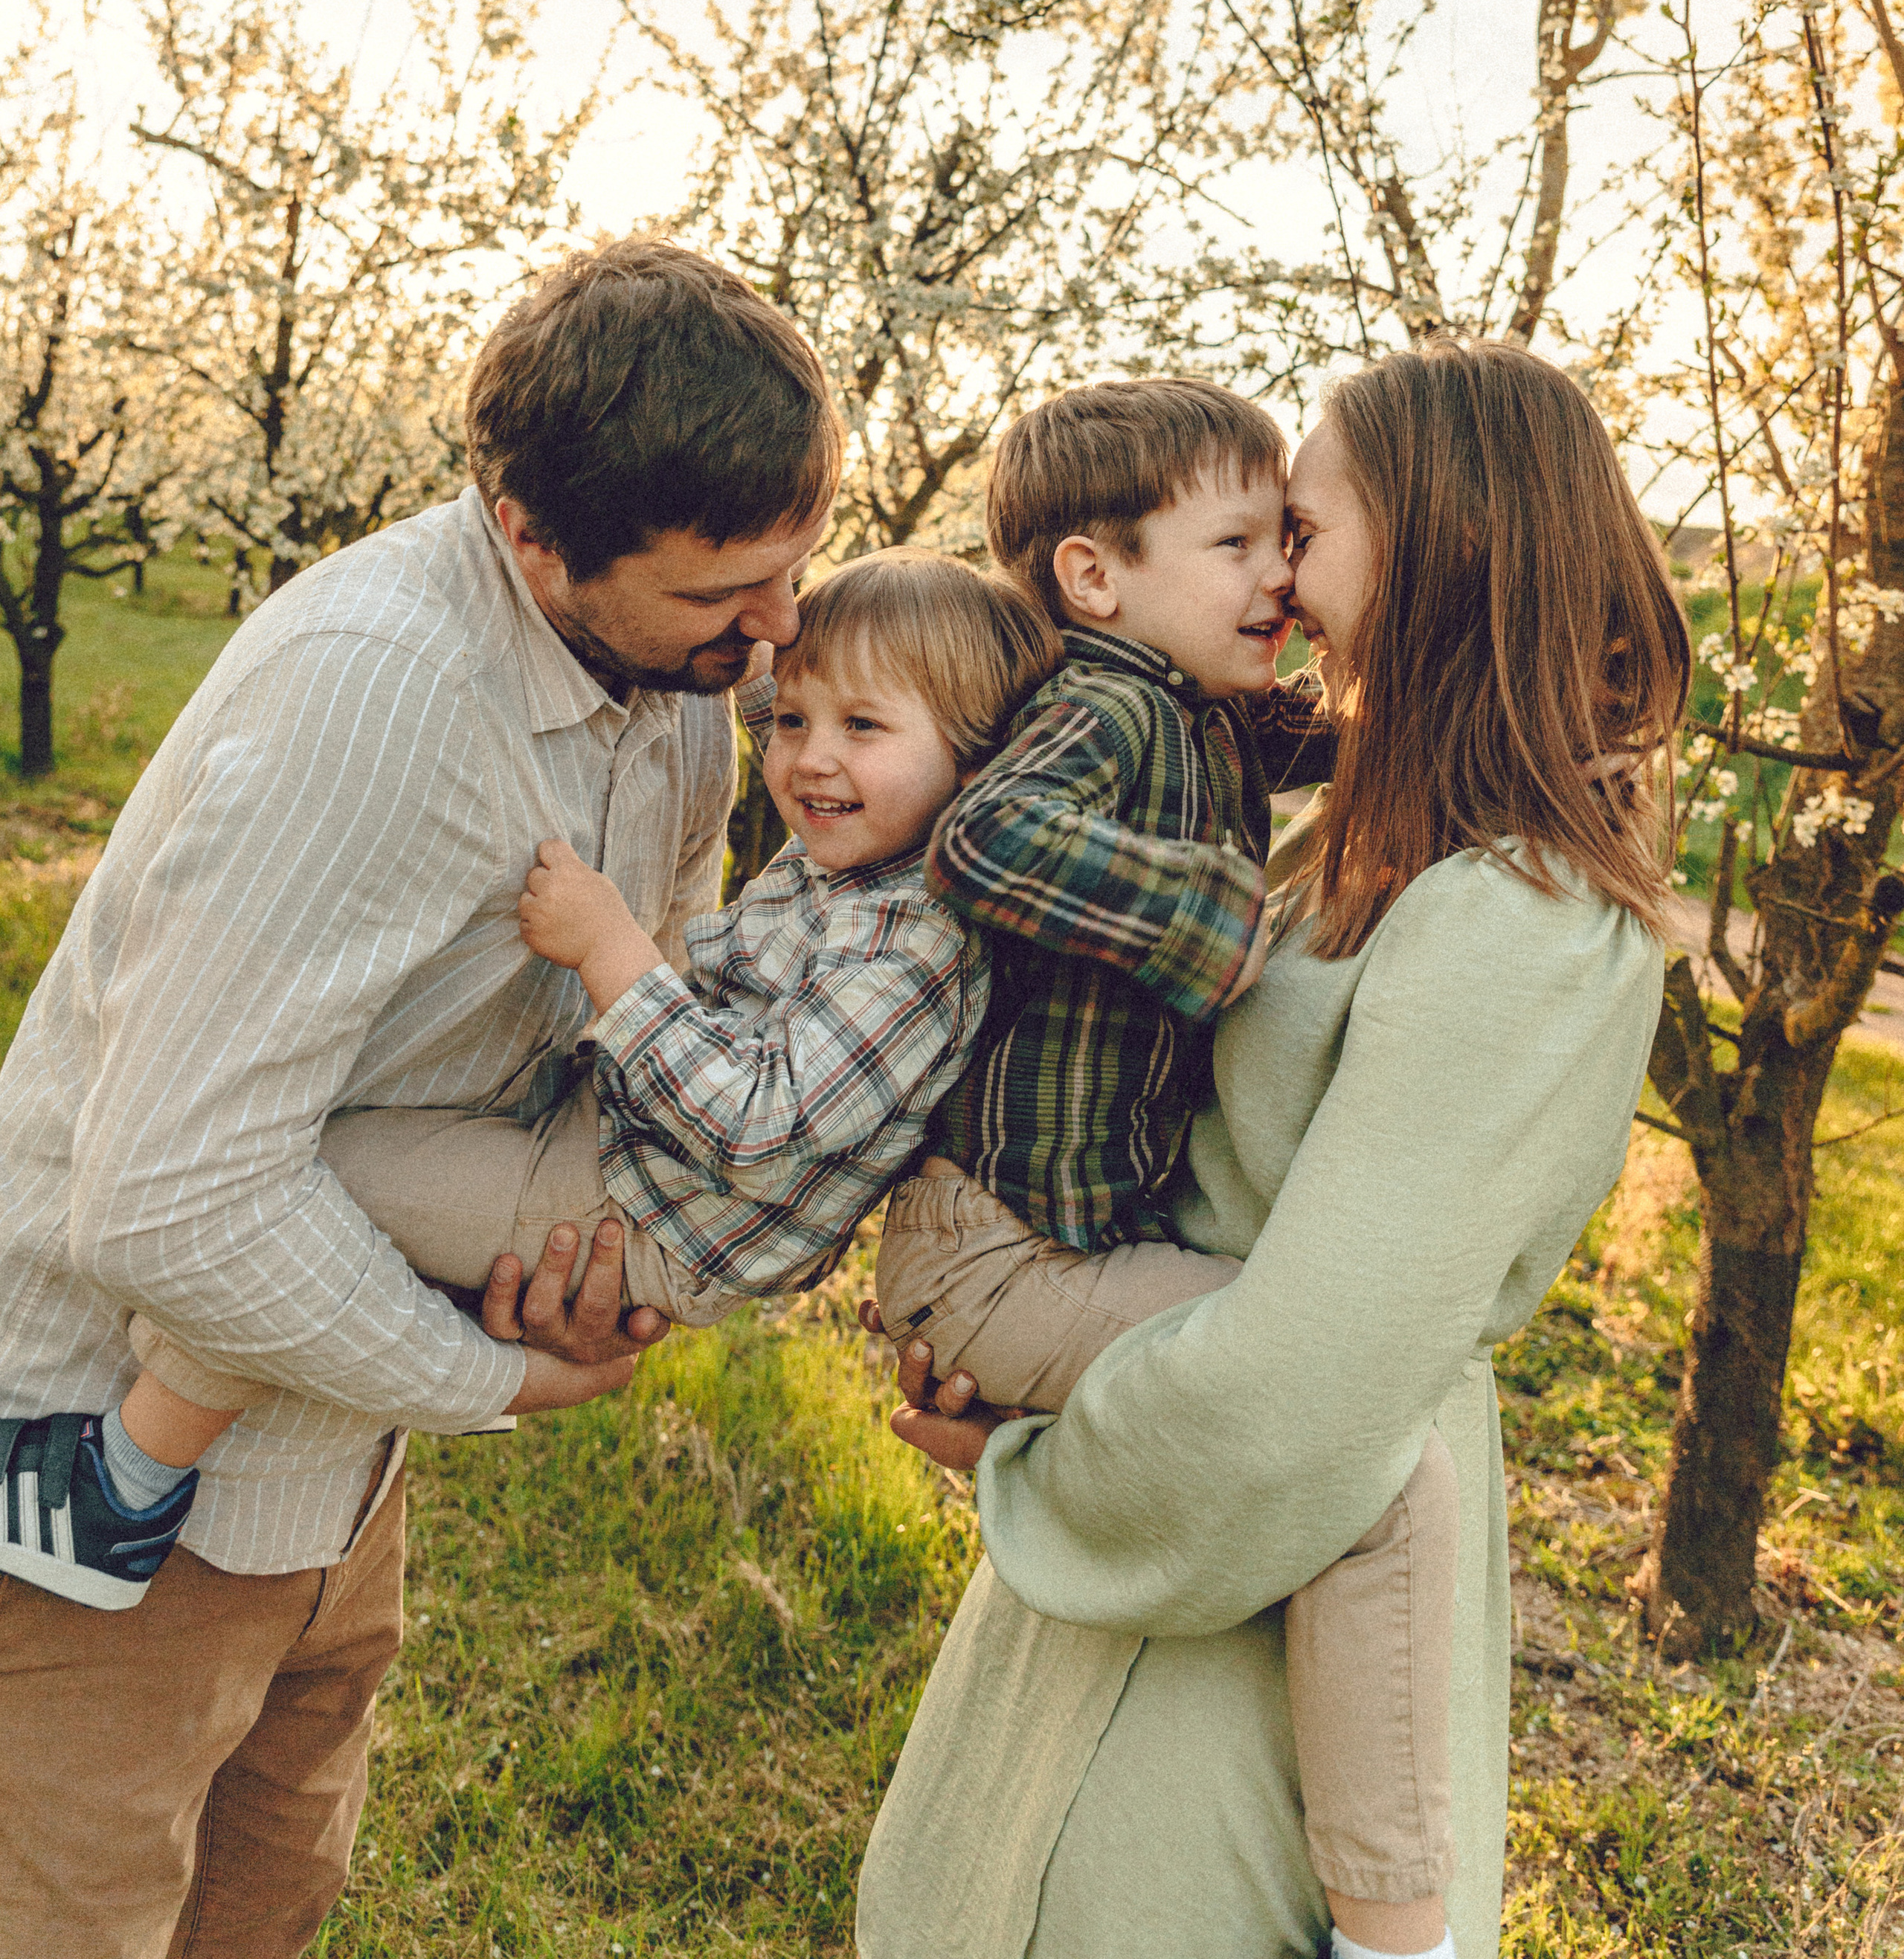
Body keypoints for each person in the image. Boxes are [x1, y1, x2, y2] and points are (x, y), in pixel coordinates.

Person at [0, 235, 839, 1959]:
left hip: (327, 1462)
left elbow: (623, 1013)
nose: (772, 632)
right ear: (530, 532)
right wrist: (496, 1373)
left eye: (793, 564)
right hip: (103, 1487)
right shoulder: (379, 700)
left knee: (267, 1901)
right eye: (718, 593)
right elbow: (166, 1197)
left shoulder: (678, 685)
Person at [858, 341, 1689, 1959]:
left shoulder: (1519, 915)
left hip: (1256, 1571)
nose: (1276, 575)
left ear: (1440, 539)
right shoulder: (1365, 835)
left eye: (1297, 530)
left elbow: (1307, 1381)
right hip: (1157, 1494)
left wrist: (1036, 1465)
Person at [867, 377, 1457, 1956]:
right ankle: (1396, 1926)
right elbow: (984, 841)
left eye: (1290, 539)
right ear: (1090, 575)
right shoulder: (1107, 703)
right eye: (1238, 541)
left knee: (1308, 1405)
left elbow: (1365, 724)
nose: (1276, 576)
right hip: (999, 1256)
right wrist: (1211, 918)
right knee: (1347, 1437)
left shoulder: (1195, 704)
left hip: (1031, 1245)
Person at [110, 553, 1061, 1476]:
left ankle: (122, 1475)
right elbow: (792, 693)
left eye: (861, 726)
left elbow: (766, 1127)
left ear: (976, 760)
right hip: (630, 1156)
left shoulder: (912, 944)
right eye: (796, 722)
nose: (810, 758)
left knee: (306, 1182)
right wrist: (760, 643)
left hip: (635, 1210)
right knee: (332, 1185)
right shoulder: (879, 847)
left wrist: (614, 951)